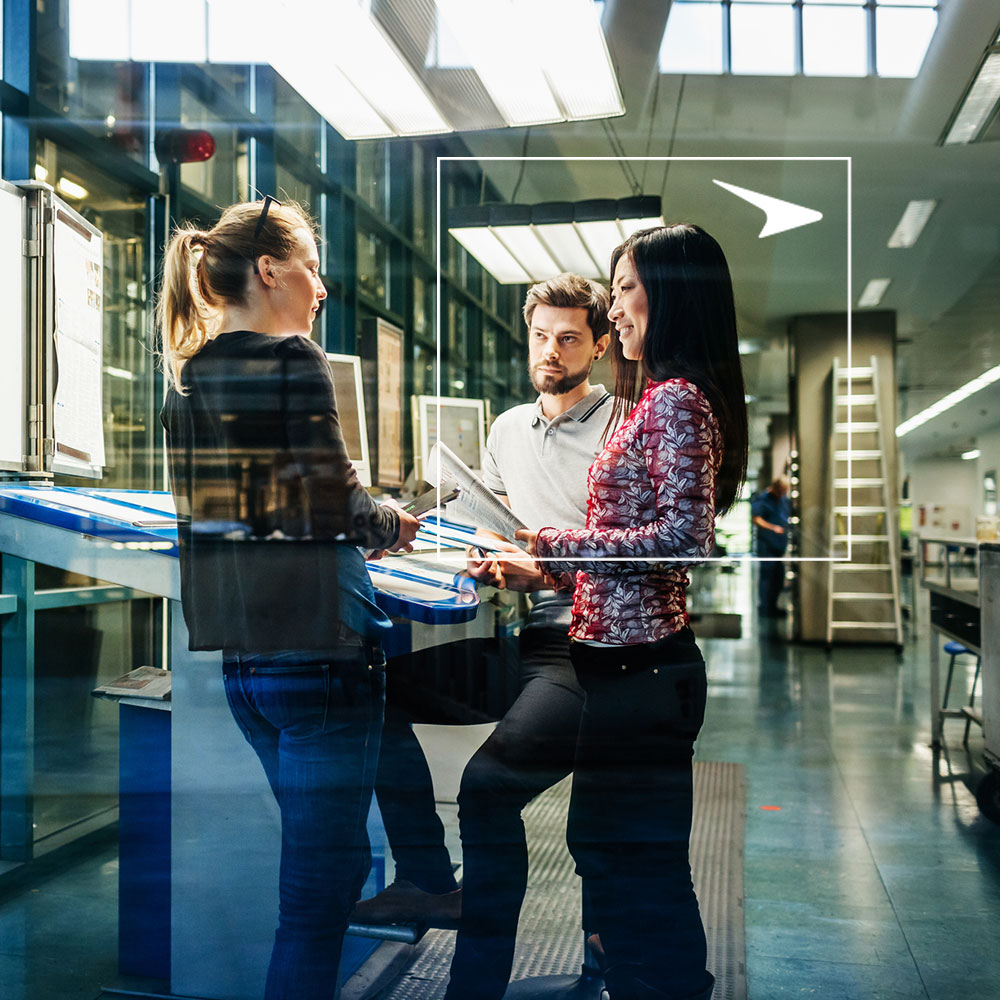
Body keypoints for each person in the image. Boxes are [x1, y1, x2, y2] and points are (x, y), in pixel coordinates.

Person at [158, 197, 420, 1000]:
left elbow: (234, 512)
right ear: (270, 270)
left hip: (247, 665)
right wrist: (393, 521)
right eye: (312, 265)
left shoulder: (190, 376)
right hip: (321, 653)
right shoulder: (294, 357)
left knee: (331, 864)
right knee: (311, 903)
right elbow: (331, 505)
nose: (322, 286)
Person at [518, 225, 749, 1000]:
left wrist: (554, 547)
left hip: (644, 670)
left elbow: (684, 537)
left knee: (639, 869)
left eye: (623, 289)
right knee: (611, 853)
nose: (613, 308)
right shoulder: (657, 397)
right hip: (623, 666)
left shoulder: (677, 400)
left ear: (672, 293)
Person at [752, 477, 791, 617]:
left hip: (779, 546)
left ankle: (773, 605)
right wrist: (773, 528)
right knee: (767, 577)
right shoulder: (763, 499)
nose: (783, 492)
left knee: (778, 577)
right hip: (767, 545)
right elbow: (756, 518)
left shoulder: (783, 501)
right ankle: (765, 607)